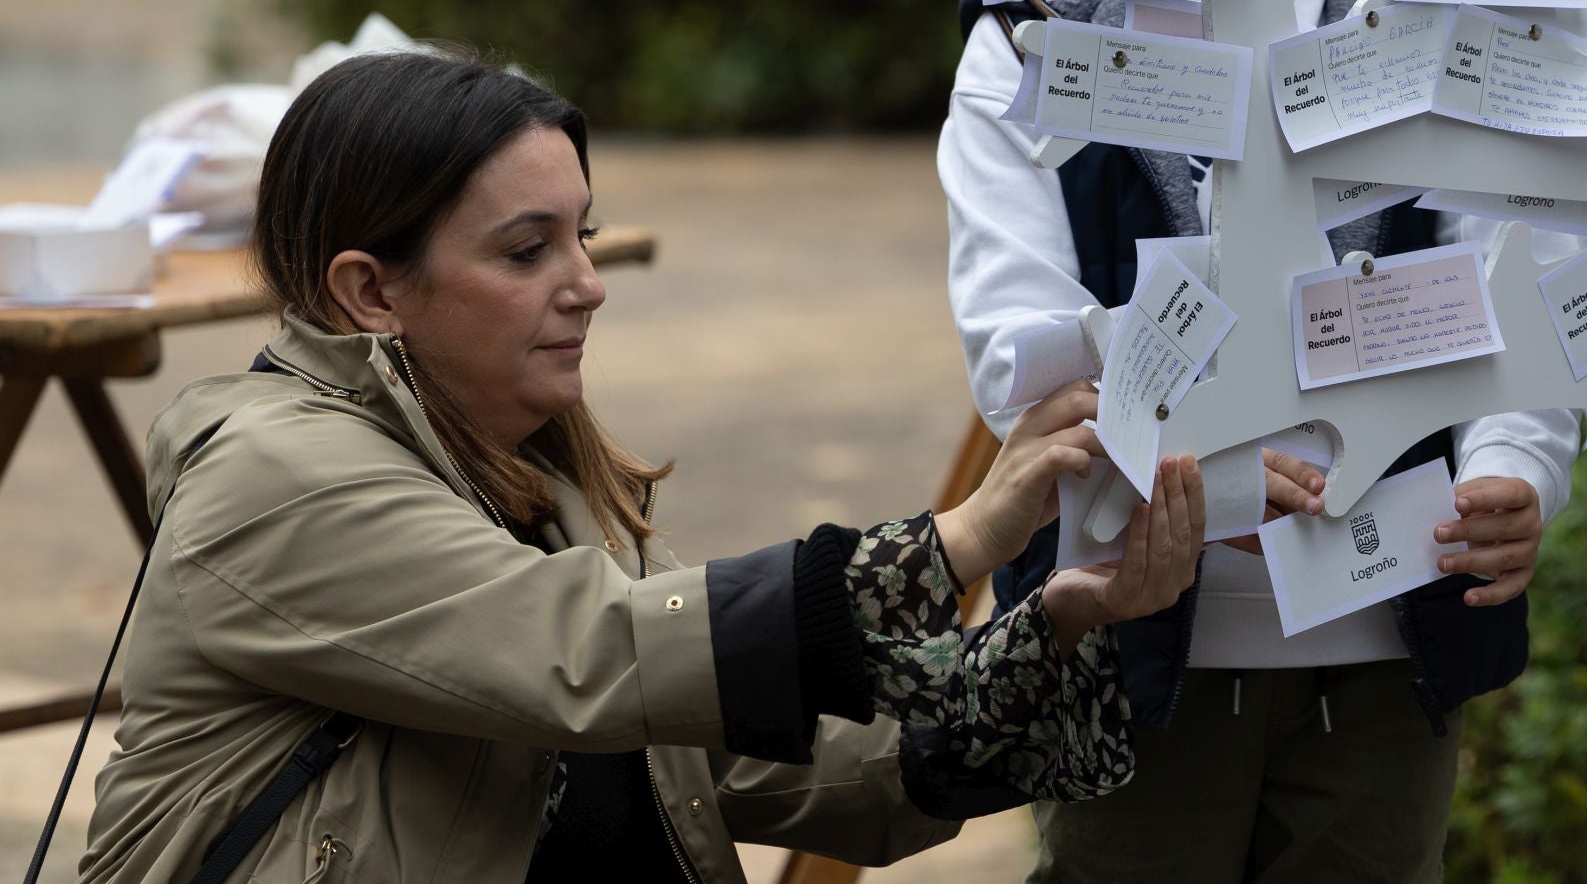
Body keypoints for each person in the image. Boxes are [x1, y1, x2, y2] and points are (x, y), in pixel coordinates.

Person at [75, 50, 1210, 883]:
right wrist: (962, 538)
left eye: (585, 234)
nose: (588, 281)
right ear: (371, 289)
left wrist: (1056, 624)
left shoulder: (548, 488)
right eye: (528, 249)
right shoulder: (269, 476)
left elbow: (786, 760)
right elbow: (593, 652)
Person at [939, 0, 1581, 878]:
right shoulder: (1035, 12)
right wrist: (1204, 464)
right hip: (1126, 642)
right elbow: (1017, 337)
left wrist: (1518, 464)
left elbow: (1522, 264)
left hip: (1395, 629)